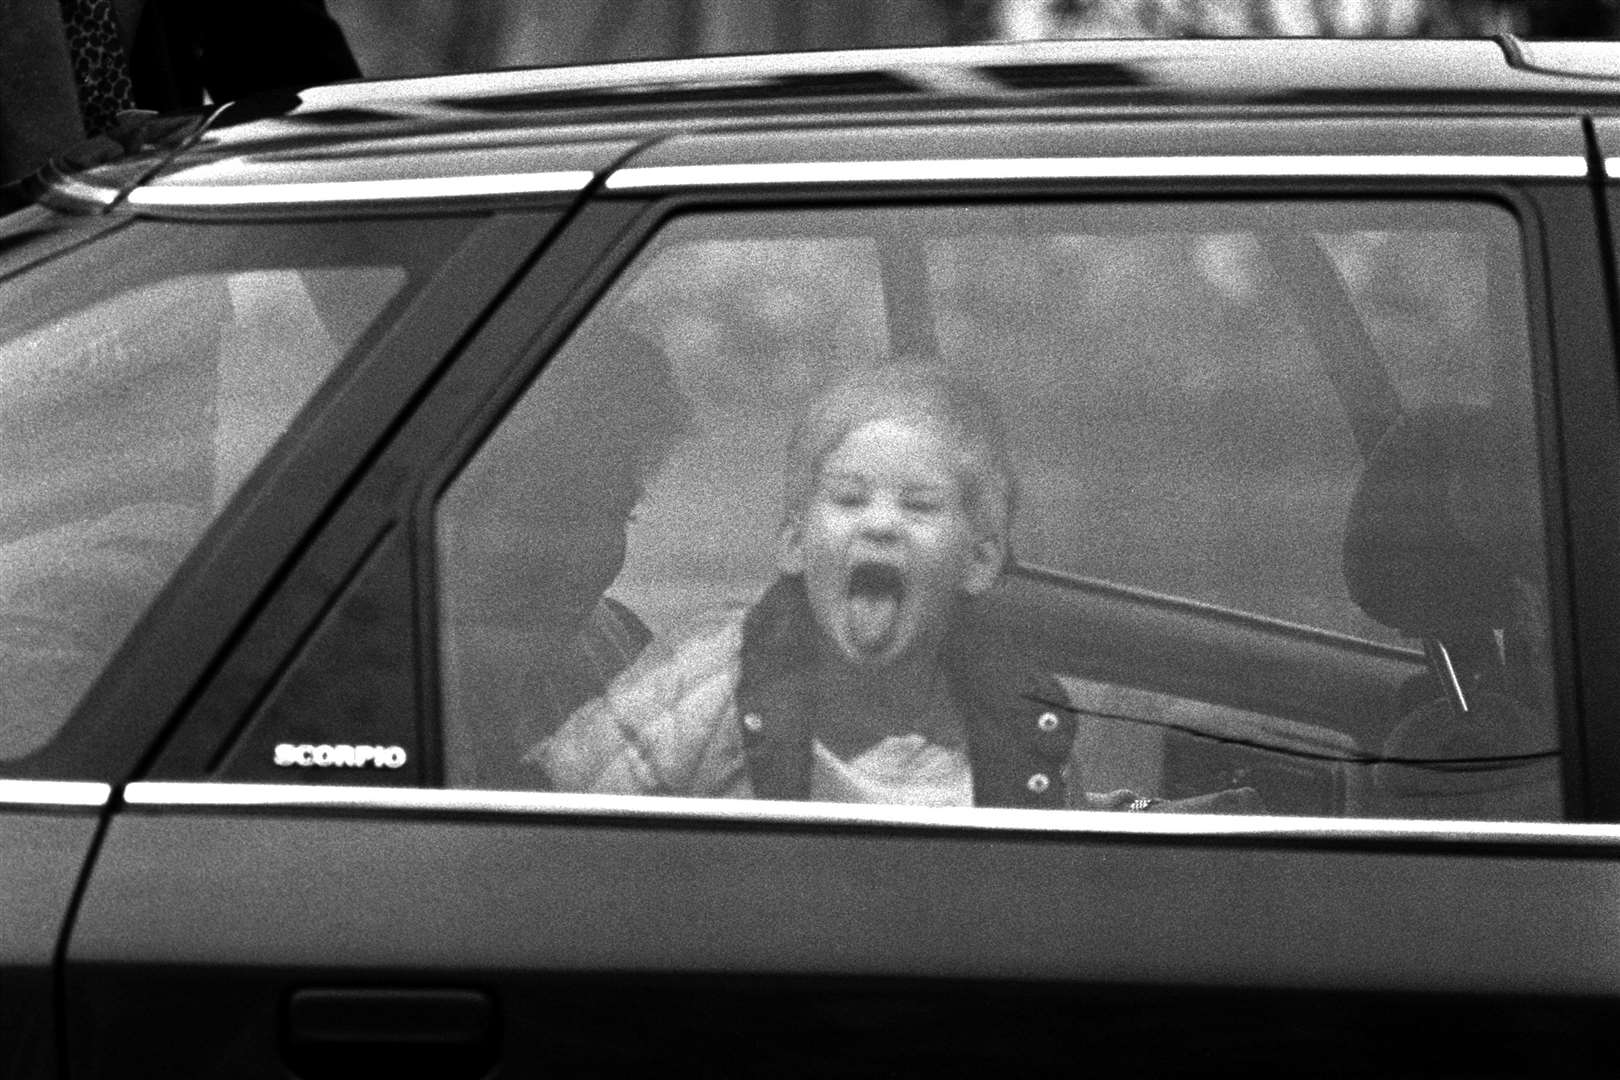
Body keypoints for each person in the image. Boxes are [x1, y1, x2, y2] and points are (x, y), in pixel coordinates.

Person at [532, 363, 1259, 812]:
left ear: (979, 561)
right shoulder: (703, 679)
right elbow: (547, 822)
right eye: (848, 499)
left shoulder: (1023, 724)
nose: (880, 525)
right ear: (791, 542)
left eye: (920, 506)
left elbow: (1042, 897)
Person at [438, 326, 694, 789]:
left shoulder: (620, 650)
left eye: (621, 512)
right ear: (449, 507)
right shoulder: (364, 690)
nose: (595, 559)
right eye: (552, 510)